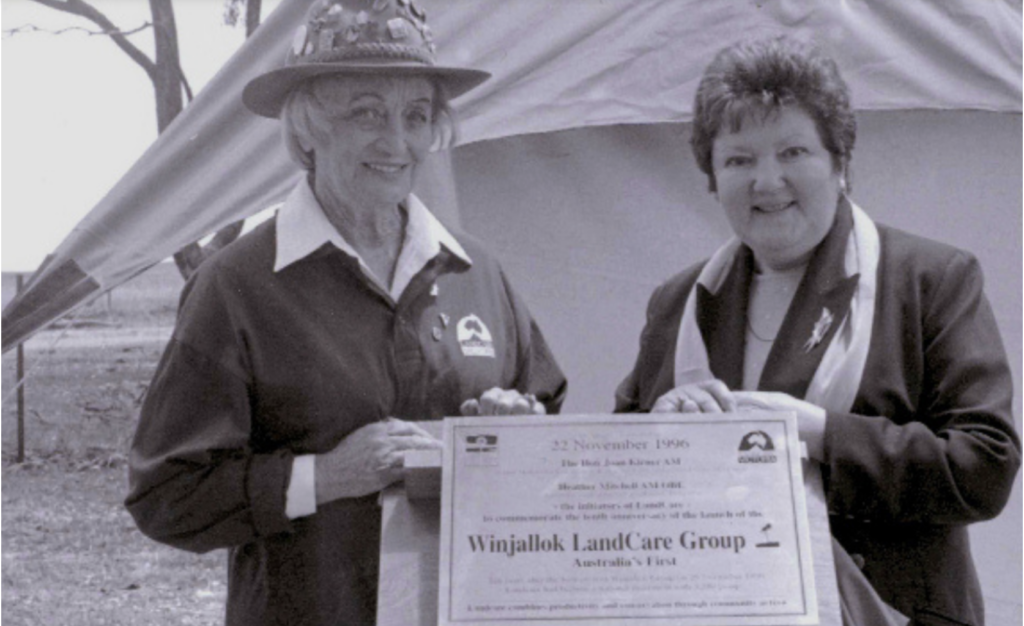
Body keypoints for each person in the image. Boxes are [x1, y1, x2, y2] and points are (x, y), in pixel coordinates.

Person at [125, 1, 566, 624]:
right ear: (307, 128)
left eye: (417, 116)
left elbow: (548, 431)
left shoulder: (477, 273)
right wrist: (325, 476)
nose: (397, 142)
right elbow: (166, 496)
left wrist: (516, 428)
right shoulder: (236, 286)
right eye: (366, 112)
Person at [615, 36, 1019, 626]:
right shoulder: (678, 303)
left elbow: (985, 466)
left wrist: (821, 435)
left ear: (840, 162)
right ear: (712, 179)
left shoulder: (929, 280)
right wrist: (660, 433)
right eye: (739, 160)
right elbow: (617, 477)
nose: (767, 181)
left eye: (793, 151)